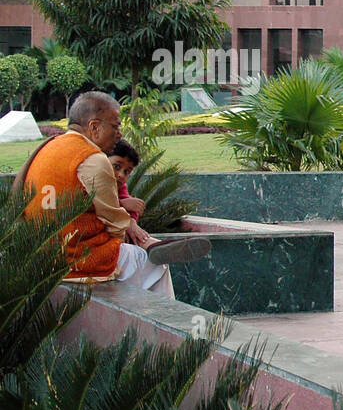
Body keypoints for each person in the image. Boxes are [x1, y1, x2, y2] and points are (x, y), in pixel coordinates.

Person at [13, 91, 209, 296]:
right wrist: (130, 234)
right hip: (77, 260)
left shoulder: (48, 147)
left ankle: (150, 247)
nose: (119, 134)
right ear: (94, 127)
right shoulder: (92, 159)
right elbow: (114, 222)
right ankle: (166, 321)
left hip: (40, 256)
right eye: (115, 126)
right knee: (154, 266)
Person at [108, 139, 147, 222]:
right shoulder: (90, 181)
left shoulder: (121, 187)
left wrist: (131, 222)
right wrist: (122, 204)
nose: (121, 175)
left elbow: (132, 207)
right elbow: (94, 206)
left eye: (127, 171)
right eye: (116, 166)